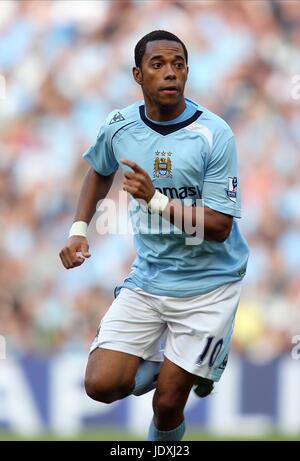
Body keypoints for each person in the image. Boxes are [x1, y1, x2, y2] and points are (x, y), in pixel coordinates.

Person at [59, 30, 249, 441]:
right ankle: (184, 361)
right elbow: (98, 170)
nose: (170, 74)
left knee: (166, 404)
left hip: (208, 286)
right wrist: (78, 230)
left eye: (178, 65)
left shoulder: (215, 135)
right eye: (158, 65)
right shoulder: (120, 126)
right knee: (100, 386)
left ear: (187, 72)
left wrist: (157, 201)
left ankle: (192, 368)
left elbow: (220, 227)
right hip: (149, 279)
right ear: (137, 74)